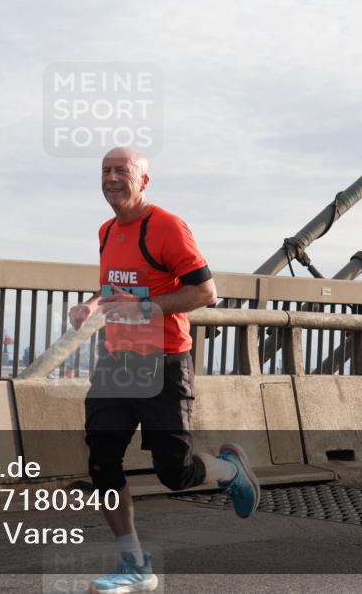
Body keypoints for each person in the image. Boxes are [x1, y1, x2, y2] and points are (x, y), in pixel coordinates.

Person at [69, 146, 259, 594]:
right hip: (116, 361)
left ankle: (230, 470)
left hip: (165, 360)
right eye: (106, 171)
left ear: (144, 180)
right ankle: (135, 563)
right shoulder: (106, 230)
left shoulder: (167, 227)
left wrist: (146, 308)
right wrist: (91, 304)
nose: (112, 178)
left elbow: (206, 292)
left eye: (122, 171)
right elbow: (112, 285)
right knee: (102, 462)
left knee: (174, 472)